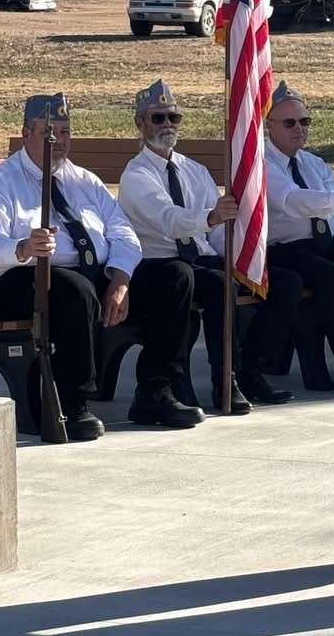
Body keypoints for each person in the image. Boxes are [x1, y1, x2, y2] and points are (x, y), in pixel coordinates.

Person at [0, 94, 202, 436]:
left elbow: (122, 231)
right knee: (74, 289)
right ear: (26, 134)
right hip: (14, 280)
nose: (59, 141)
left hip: (85, 277)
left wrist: (120, 280)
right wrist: (22, 247)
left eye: (65, 132)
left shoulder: (84, 181)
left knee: (175, 276)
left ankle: (156, 388)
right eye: (50, 132)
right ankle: (72, 403)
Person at [118, 79, 296, 410]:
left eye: (174, 118)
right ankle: (222, 379)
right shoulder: (137, 175)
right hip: (158, 264)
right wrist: (211, 217)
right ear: (139, 123)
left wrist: (237, 255)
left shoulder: (194, 170)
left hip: (199, 261)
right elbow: (169, 220)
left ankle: (249, 371)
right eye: (158, 118)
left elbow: (214, 235)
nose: (167, 125)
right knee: (212, 283)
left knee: (281, 282)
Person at [263, 82, 334, 395]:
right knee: (330, 279)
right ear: (269, 126)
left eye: (304, 122)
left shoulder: (314, 164)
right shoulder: (262, 165)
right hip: (283, 250)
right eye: (289, 123)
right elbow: (291, 200)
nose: (299, 129)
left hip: (321, 248)